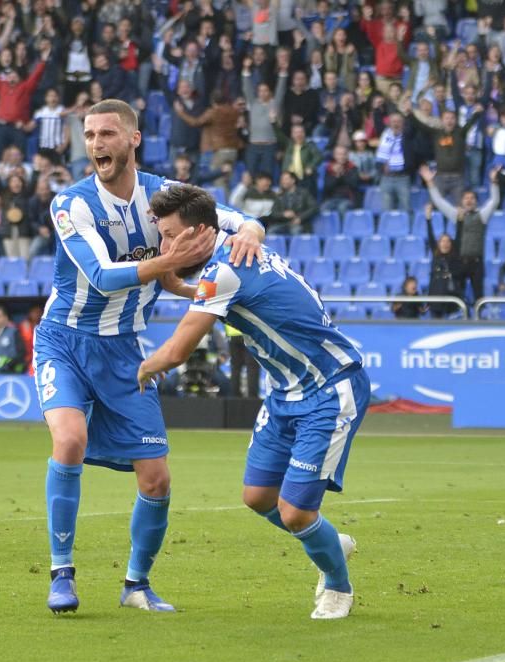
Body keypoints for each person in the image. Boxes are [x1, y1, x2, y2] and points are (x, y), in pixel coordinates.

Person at [37, 99, 263, 615]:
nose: (96, 144)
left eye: (107, 134)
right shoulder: (70, 204)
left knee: (157, 478)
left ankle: (136, 585)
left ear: (133, 140)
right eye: (90, 135)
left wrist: (249, 230)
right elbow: (100, 276)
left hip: (123, 352)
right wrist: (171, 261)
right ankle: (61, 573)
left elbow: (235, 218)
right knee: (69, 440)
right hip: (65, 340)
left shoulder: (163, 197)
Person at [137, 184, 369, 621]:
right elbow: (237, 292)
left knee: (297, 512)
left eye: (171, 236)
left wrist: (137, 372)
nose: (164, 246)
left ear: (200, 232)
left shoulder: (224, 269)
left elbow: (175, 353)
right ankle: (330, 543)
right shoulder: (230, 246)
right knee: (258, 497)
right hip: (285, 393)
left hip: (329, 388)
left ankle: (338, 586)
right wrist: (185, 287)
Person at [420, 166, 500, 305]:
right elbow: (439, 201)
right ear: (461, 201)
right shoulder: (456, 215)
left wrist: (493, 182)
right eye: (466, 198)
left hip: (476, 262)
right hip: (458, 262)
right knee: (458, 296)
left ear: (476, 201)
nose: (469, 200)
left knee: (478, 297)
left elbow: (494, 201)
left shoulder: (482, 215)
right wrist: (431, 183)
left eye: (472, 198)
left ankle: (478, 322)